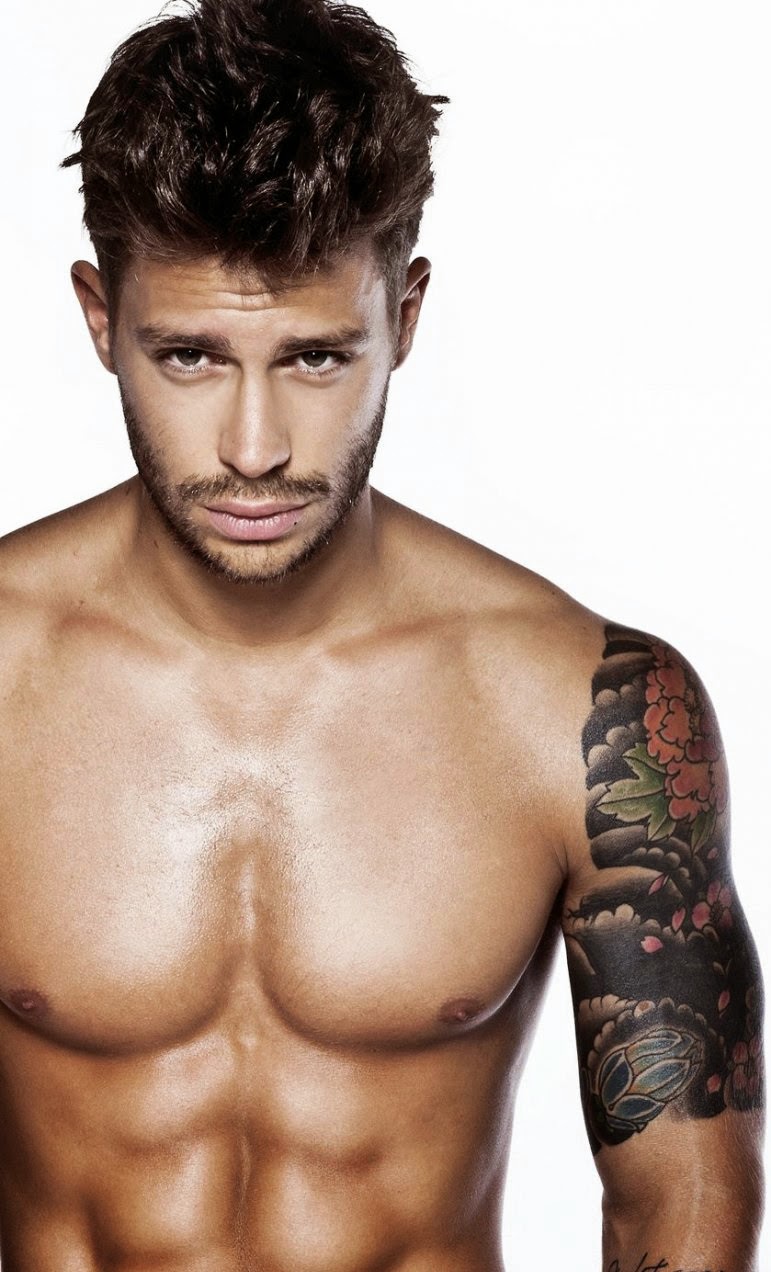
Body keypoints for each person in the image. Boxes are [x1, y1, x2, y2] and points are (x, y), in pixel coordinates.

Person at [0, 0, 763, 1267]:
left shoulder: (583, 710)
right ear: (98, 317)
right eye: (190, 358)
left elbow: (679, 1200)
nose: (254, 450)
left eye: (315, 359)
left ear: (404, 317)